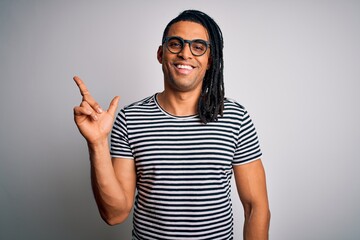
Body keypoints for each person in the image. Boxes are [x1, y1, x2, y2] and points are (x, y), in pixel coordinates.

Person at [73, 10, 270, 240]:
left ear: (210, 61)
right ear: (160, 53)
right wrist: (97, 144)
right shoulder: (130, 119)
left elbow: (255, 207)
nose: (185, 54)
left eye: (198, 47)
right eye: (176, 44)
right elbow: (114, 214)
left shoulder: (234, 117)